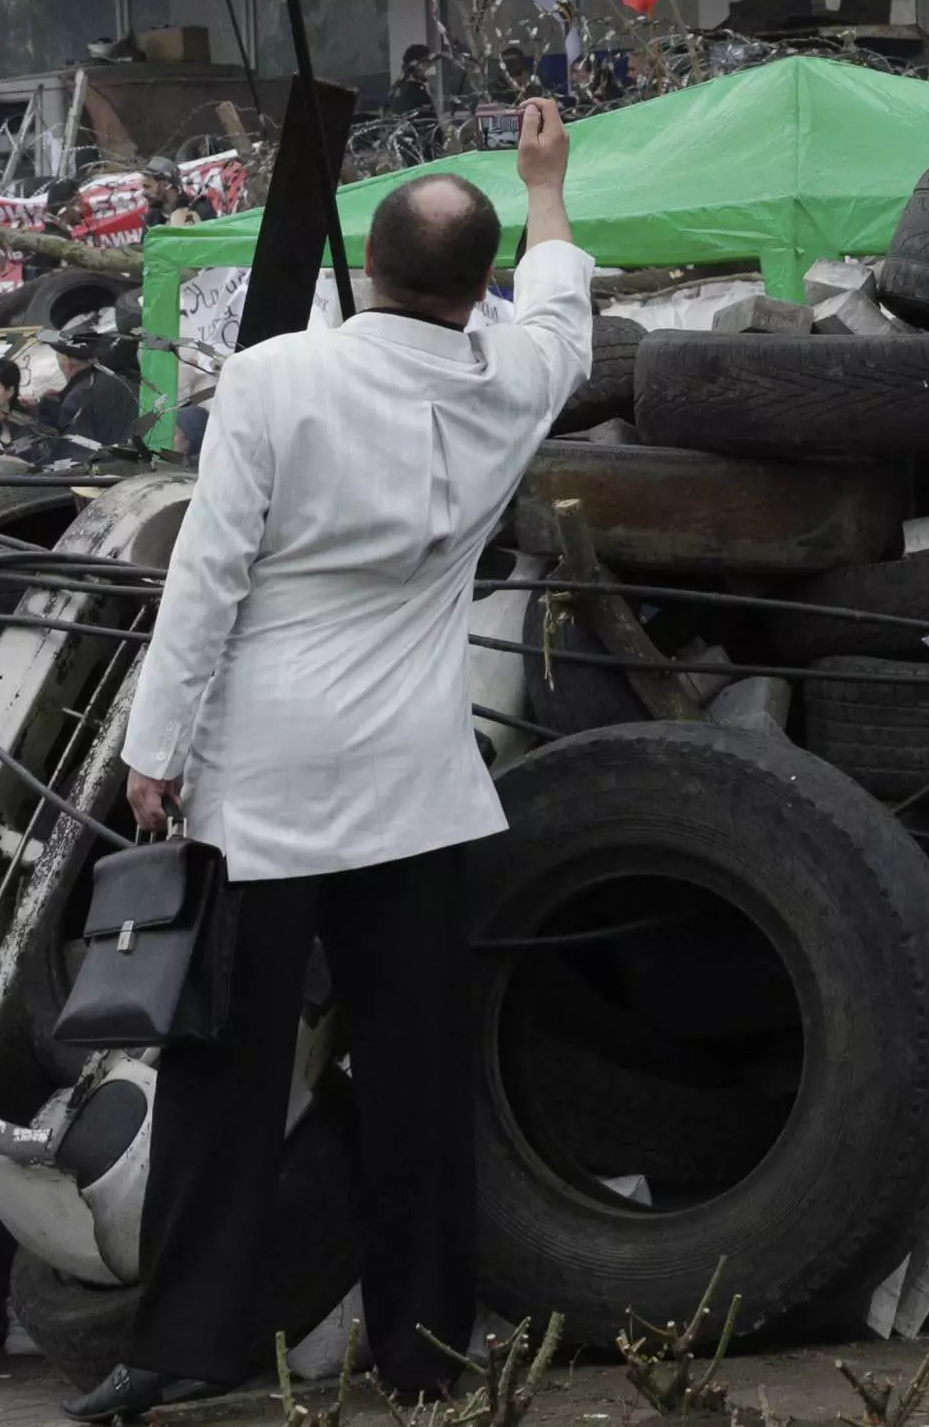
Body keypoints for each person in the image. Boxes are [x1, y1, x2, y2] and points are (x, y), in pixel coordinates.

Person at [74, 98, 586, 1422]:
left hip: (261, 784)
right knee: (416, 1079)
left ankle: (187, 1345)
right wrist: (545, 187)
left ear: (374, 255)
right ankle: (427, 1352)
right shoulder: (510, 388)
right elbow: (562, 317)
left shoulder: (273, 379)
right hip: (417, 787)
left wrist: (154, 749)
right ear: (474, 287)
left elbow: (208, 576)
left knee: (220, 1078)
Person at [32, 311, 139, 454]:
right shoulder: (127, 382)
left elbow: (73, 450)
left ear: (68, 362)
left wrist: (43, 415)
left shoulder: (80, 395)